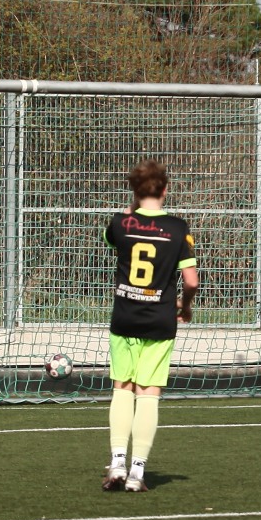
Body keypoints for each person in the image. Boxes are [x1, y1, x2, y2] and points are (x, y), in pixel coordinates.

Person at [102, 160, 199, 493]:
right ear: (165, 189)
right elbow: (191, 281)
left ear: (134, 190)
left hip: (125, 317)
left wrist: (133, 208)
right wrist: (185, 306)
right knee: (148, 394)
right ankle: (137, 472)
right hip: (160, 320)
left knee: (122, 388)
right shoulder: (178, 228)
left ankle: (117, 463)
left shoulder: (120, 223)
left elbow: (115, 233)